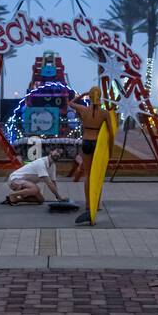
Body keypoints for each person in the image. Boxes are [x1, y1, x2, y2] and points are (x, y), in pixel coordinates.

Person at [67, 85, 114, 224]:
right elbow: (111, 133)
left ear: (90, 96)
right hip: (97, 144)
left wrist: (82, 94)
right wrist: (110, 151)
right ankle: (96, 204)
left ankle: (88, 204)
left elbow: (70, 103)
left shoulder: (84, 110)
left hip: (86, 141)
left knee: (88, 175)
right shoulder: (105, 113)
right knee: (97, 176)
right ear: (99, 97)